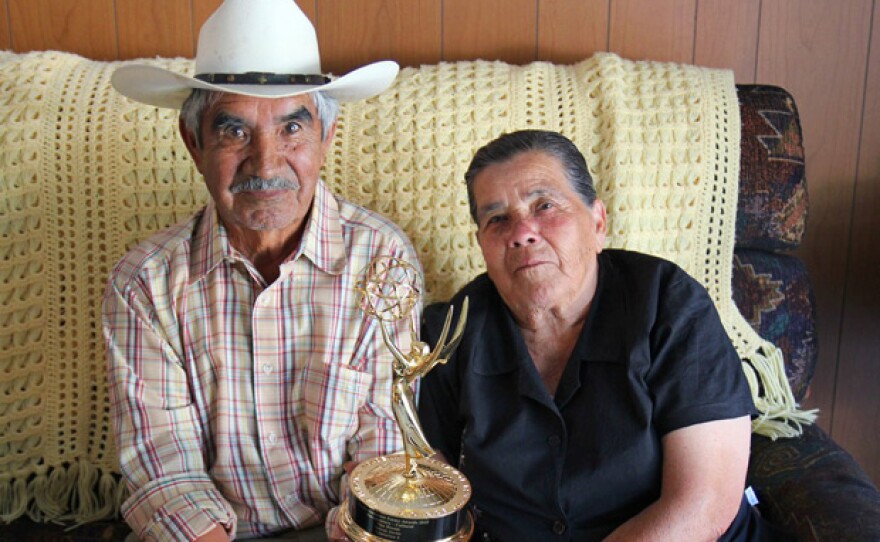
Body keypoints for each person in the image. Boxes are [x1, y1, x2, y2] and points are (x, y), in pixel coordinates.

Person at [102, 1, 417, 541]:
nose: (266, 163)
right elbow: (165, 470)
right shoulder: (144, 284)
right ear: (194, 143)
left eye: (292, 127)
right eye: (234, 132)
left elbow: (383, 454)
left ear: (326, 137)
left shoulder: (382, 260)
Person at [418, 130, 784, 541]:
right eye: (497, 219)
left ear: (597, 223)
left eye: (544, 206)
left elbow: (703, 506)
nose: (521, 232)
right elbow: (428, 485)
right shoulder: (451, 332)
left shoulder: (668, 304)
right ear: (482, 244)